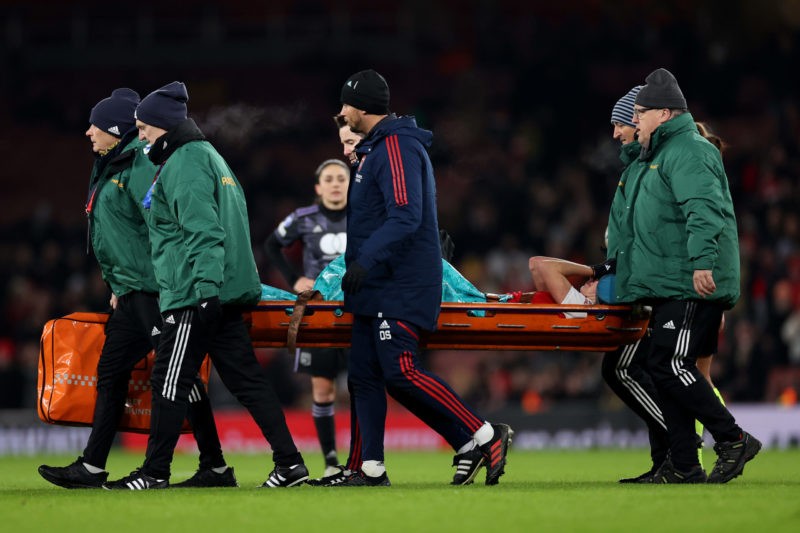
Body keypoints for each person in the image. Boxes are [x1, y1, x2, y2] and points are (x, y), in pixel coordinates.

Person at [103, 81, 307, 489]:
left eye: (144, 127)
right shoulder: (210, 156)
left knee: (169, 379)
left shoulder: (184, 162)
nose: (140, 135)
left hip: (196, 294)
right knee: (246, 380)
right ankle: (290, 464)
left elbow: (204, 233)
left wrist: (206, 292)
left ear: (162, 125)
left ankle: (154, 473)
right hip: (221, 292)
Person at [38, 88, 235, 490]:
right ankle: (93, 465)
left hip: (153, 290)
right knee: (111, 371)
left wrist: (167, 282)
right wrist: (117, 283)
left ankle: (210, 465)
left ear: (115, 129)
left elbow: (164, 226)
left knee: (178, 377)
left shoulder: (140, 166)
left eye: (96, 125)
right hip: (130, 291)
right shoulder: (113, 164)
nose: (88, 132)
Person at [336, 69, 511, 487]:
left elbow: (405, 214)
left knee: (400, 370)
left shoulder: (397, 146)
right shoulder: (376, 150)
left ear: (362, 109)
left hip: (397, 283)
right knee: (363, 375)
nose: (341, 113)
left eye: (345, 105)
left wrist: (366, 261)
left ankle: (485, 434)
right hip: (375, 284)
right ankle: (368, 468)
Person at [609, 68, 760, 483]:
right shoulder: (661, 154)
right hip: (670, 280)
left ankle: (733, 439)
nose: (634, 120)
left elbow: (704, 209)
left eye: (640, 113)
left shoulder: (689, 150)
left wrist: (702, 263)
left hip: (690, 278)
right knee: (662, 366)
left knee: (673, 364)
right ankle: (683, 464)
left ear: (663, 112)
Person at [264, 158, 350, 478]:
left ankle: (361, 460)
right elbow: (272, 245)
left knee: (363, 386)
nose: (336, 183)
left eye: (342, 177)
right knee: (323, 390)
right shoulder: (303, 218)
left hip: (357, 311)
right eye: (329, 178)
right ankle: (330, 462)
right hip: (320, 315)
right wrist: (294, 279)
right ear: (318, 187)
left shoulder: (364, 217)